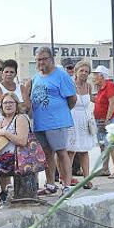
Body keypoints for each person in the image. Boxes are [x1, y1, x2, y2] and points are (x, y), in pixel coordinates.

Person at [26, 46, 77, 195]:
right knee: (47, 154)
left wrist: (60, 113)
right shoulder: (35, 78)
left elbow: (72, 99)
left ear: (51, 59)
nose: (41, 62)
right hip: (40, 123)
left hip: (56, 122)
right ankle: (50, 185)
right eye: (38, 59)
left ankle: (66, 185)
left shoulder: (61, 75)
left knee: (61, 153)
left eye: (43, 59)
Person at [66, 61, 95, 185]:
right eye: (81, 70)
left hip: (85, 119)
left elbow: (91, 101)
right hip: (72, 118)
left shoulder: (89, 86)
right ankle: (66, 179)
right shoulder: (70, 84)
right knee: (71, 151)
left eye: (86, 71)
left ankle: (87, 178)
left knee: (84, 150)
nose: (84, 73)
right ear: (76, 72)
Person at [92, 65, 114, 177]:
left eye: (96, 75)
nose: (94, 77)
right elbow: (99, 102)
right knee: (103, 145)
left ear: (102, 76)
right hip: (100, 120)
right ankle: (105, 168)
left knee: (111, 145)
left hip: (109, 120)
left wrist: (108, 119)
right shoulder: (101, 88)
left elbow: (112, 103)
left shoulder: (110, 85)